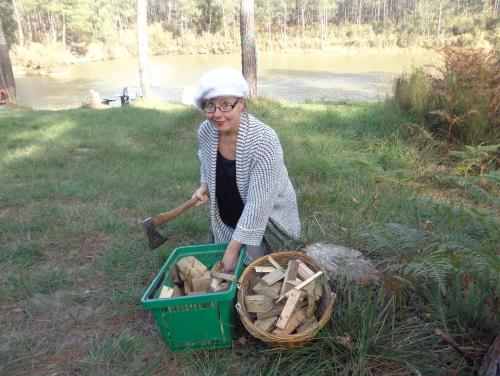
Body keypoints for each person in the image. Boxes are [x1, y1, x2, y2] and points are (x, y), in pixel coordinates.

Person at [191, 67, 300, 272]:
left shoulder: (264, 140)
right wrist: (204, 185)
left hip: (268, 221)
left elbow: (258, 205)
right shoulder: (206, 131)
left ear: (241, 103)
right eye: (210, 106)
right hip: (229, 214)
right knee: (227, 274)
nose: (217, 114)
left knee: (263, 273)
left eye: (226, 105)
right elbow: (205, 162)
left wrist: (232, 250)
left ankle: (246, 252)